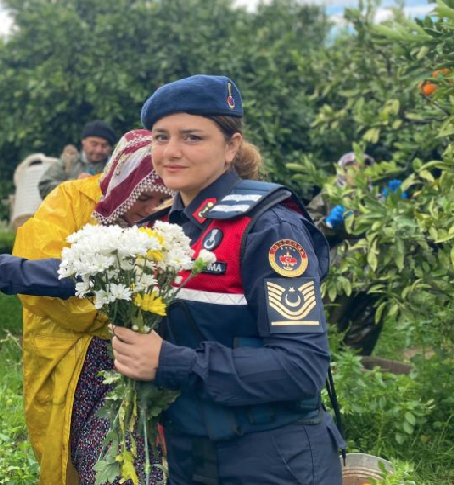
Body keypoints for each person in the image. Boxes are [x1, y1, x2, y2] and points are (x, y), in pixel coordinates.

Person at [108, 75, 346, 484]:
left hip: (272, 459)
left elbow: (301, 366)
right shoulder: (171, 225)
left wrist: (171, 361)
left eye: (193, 137)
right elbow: (77, 269)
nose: (172, 152)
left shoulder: (271, 228)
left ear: (231, 146)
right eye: (161, 137)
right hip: (193, 456)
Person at [0, 129, 173, 485]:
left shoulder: (168, 222)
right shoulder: (71, 198)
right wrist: (114, 313)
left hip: (141, 366)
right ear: (123, 181)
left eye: (161, 200)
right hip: (73, 360)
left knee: (129, 463)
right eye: (144, 197)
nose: (150, 209)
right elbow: (43, 273)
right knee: (77, 454)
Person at [307, 152, 384, 355]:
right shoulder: (328, 197)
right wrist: (329, 224)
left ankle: (353, 371)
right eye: (351, 168)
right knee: (331, 321)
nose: (357, 173)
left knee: (365, 325)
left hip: (372, 273)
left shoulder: (377, 200)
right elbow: (306, 232)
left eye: (363, 169)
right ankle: (323, 370)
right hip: (338, 270)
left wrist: (398, 208)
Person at [38, 120, 116, 199]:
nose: (98, 150)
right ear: (83, 141)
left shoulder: (115, 167)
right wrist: (75, 185)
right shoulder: (68, 161)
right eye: (94, 144)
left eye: (104, 146)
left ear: (110, 148)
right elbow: (44, 187)